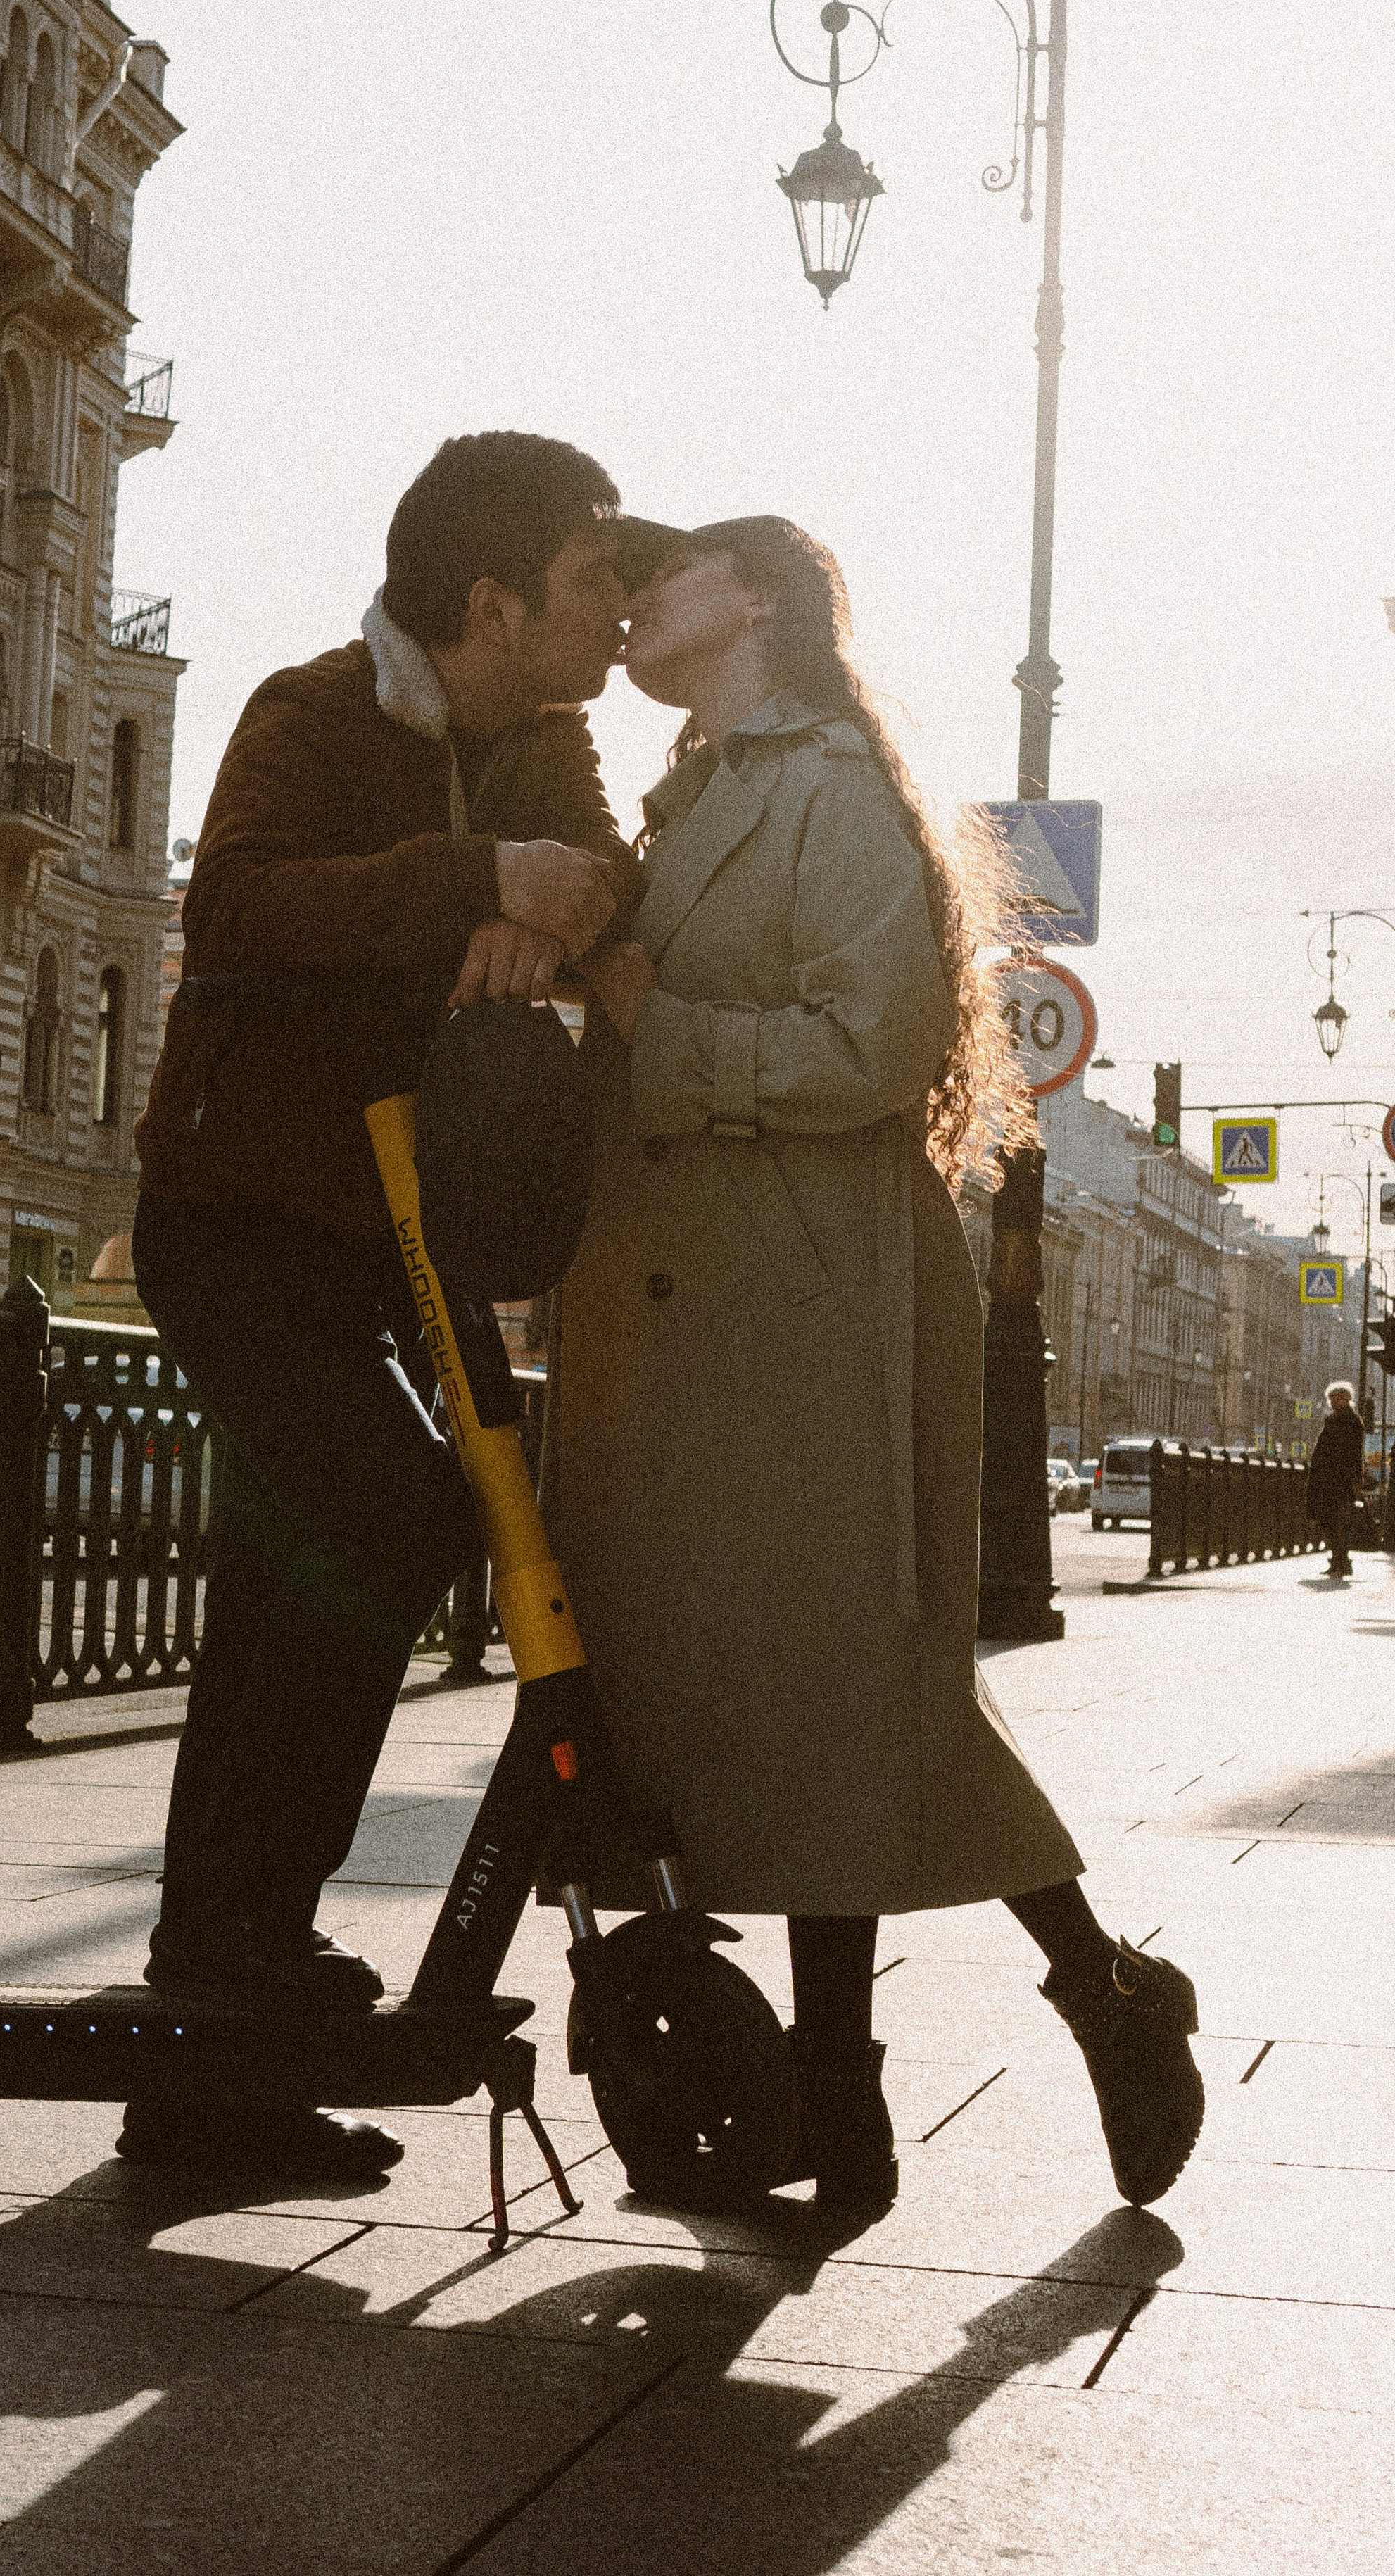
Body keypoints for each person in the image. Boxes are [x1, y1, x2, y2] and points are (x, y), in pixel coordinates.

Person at [558, 512, 1205, 2214]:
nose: (634, 601)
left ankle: (1042, 2021)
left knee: (845, 1698)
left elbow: (877, 1043)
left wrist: (646, 1018)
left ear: (756, 598)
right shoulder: (697, 785)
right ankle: (896, 2080)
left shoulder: (825, 783)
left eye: (667, 572)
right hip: (700, 1313)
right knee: (779, 1718)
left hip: (807, 1306)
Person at [122, 432, 639, 2176]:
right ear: (493, 604)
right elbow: (245, 902)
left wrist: (555, 912)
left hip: (379, 1242)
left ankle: (206, 2060)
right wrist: (481, 885)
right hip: (236, 1221)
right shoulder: (311, 710)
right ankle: (235, 1959)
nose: (618, 603)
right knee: (376, 1505)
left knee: (286, 1574)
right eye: (592, 578)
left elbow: (602, 866)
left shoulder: (544, 741)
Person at [1308, 1381, 1365, 1577]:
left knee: (1334, 1521)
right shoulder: (1339, 1419)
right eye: (1331, 1399)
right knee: (1331, 1521)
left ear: (1348, 1399)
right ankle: (1340, 1561)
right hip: (1329, 1479)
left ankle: (1341, 1562)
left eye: (1337, 1398)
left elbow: (1354, 1453)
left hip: (1336, 1480)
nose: (1333, 1402)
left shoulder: (1348, 1421)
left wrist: (1355, 1479)